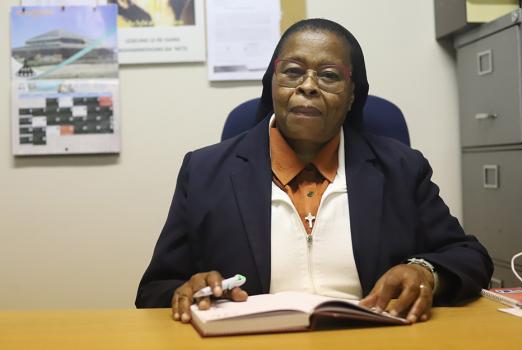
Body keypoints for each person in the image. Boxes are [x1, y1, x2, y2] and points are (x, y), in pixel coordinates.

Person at [135, 18, 493, 325]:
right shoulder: (204, 170)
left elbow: (469, 257)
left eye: (329, 75)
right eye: (292, 71)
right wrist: (190, 289)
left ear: (352, 94)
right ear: (272, 83)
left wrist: (425, 272)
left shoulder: (401, 167)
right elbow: (155, 290)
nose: (307, 85)